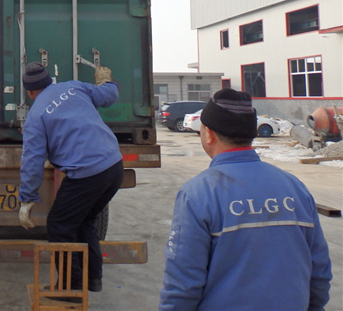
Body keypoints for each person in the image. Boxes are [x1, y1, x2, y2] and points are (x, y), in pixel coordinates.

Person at [160, 88, 332, 310]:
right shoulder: (294, 188)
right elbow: (319, 271)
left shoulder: (198, 195)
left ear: (208, 134)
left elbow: (182, 286)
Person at [18, 62, 124, 294]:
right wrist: (106, 81)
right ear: (49, 81)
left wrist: (27, 199)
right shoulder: (74, 87)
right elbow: (109, 95)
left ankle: (70, 288)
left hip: (87, 175)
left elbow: (32, 161)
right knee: (85, 220)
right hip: (114, 166)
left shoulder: (36, 116)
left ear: (29, 92)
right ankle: (92, 278)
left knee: (59, 226)